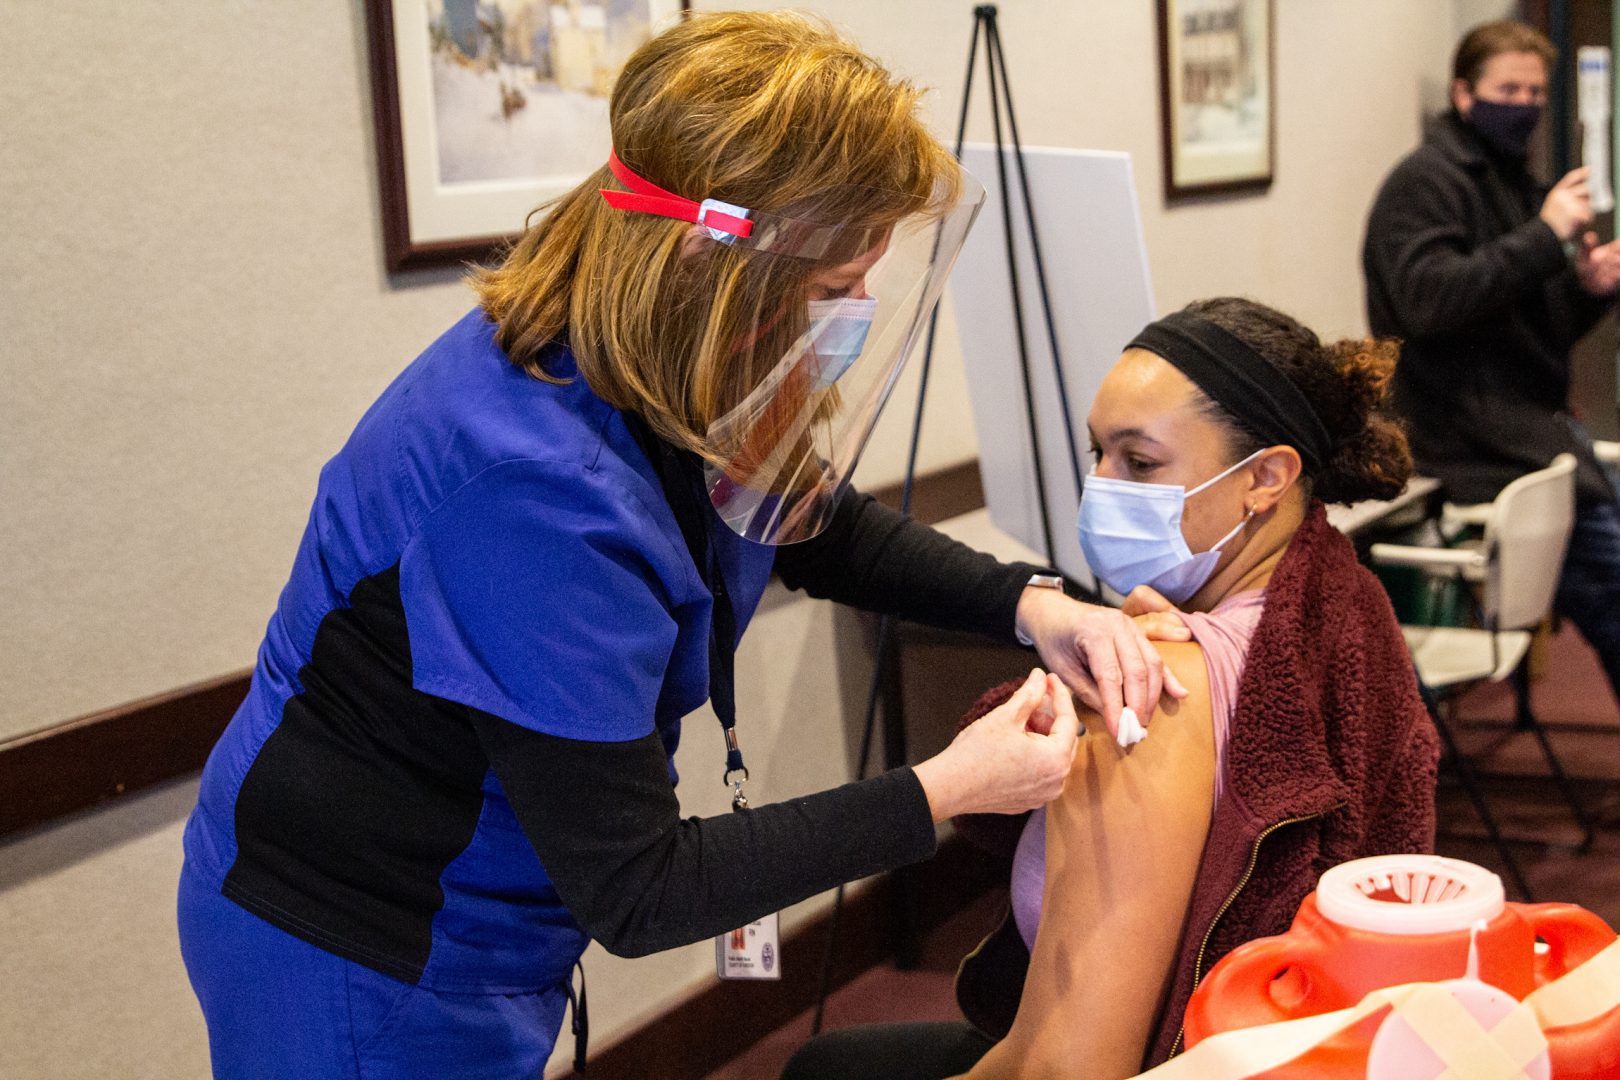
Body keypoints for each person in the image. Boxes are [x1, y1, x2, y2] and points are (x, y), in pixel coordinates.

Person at [175, 13, 1184, 1077]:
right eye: (835, 291)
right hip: (357, 950)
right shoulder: (534, 492)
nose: (857, 314)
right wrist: (943, 787)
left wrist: (1029, 604)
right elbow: (642, 889)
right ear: (716, 263)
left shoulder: (674, 358)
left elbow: (805, 517)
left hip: (489, 918)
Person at [783, 298, 1441, 1080]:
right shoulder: (1340, 606)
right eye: (1096, 453)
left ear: (1266, 477)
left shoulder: (1155, 694)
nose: (1101, 487)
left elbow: (1067, 1068)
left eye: (1139, 462)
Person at [1363, 19, 1620, 705]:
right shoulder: (1426, 183)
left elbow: (1538, 325)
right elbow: (1429, 301)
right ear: (1464, 92)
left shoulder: (1512, 183)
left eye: (1536, 91)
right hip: (1467, 443)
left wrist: (1590, 289)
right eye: (1509, 87)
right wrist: (1544, 236)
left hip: (1528, 431)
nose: (1527, 104)